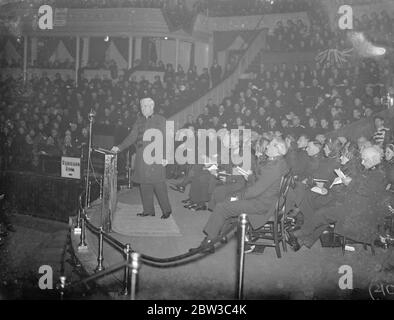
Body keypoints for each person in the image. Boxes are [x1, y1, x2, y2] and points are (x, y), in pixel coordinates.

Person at [189, 137, 289, 253]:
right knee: (227, 199)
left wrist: (238, 197)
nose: (267, 146)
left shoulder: (273, 167)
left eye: (270, 145)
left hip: (261, 203)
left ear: (277, 149)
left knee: (222, 207)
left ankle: (208, 243)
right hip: (266, 199)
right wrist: (250, 177)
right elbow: (264, 182)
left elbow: (256, 190)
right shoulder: (279, 162)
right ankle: (220, 234)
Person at [111, 98, 172, 219]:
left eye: (145, 106)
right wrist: (119, 147)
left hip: (157, 157)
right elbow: (131, 137)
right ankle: (148, 210)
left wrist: (166, 156)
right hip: (142, 158)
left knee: (159, 185)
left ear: (152, 106)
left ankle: (167, 210)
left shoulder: (161, 120)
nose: (143, 108)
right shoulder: (138, 121)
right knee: (144, 185)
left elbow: (168, 139)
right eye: (142, 106)